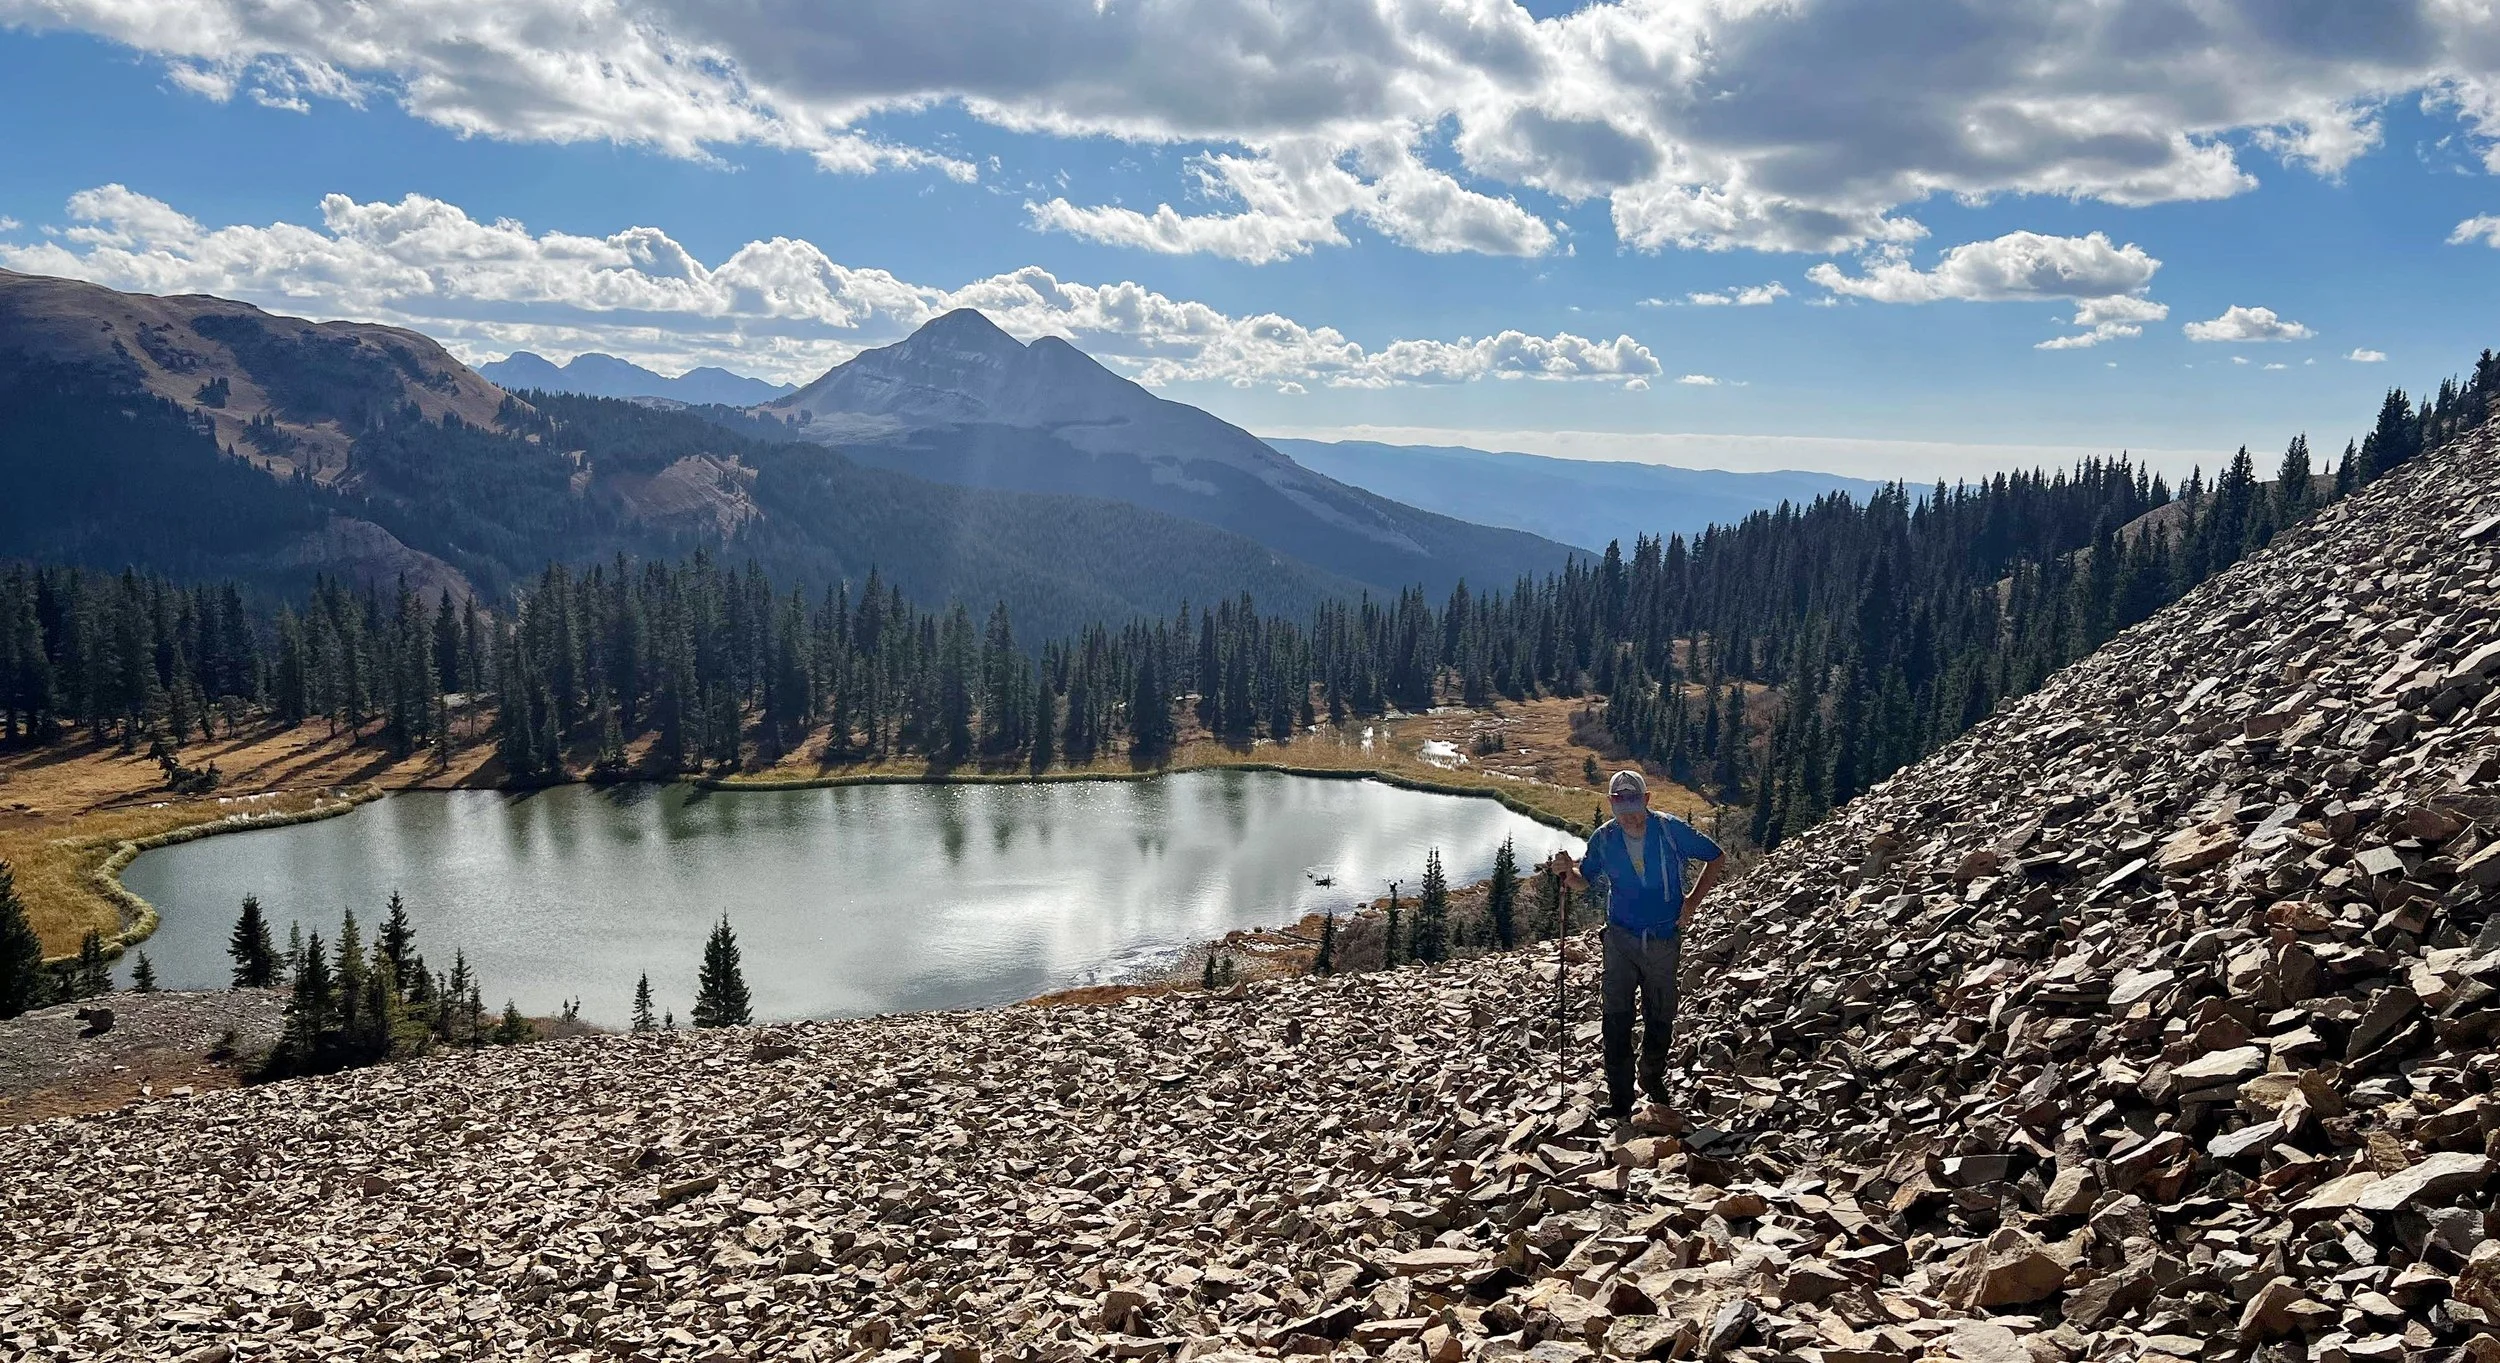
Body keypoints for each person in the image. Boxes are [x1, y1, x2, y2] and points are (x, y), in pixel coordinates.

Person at [1543, 768, 1724, 1123]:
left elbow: (1715, 856)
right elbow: (1583, 881)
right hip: (1620, 938)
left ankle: (1652, 1077)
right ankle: (1621, 1101)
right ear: (1611, 804)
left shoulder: (1670, 829)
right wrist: (1566, 872)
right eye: (1619, 803)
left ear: (1646, 800)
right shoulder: (1604, 838)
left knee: (1661, 1013)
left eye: (1633, 801)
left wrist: (1691, 903)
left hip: (1663, 936)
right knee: (1616, 1018)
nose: (1628, 812)